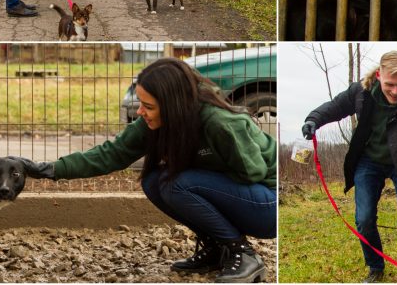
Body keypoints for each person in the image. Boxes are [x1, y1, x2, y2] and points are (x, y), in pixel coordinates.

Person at [16, 58, 276, 283]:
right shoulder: (157, 123)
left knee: (178, 183)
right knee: (154, 181)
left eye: (148, 107)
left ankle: (242, 253)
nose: (141, 112)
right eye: (141, 103)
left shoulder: (220, 123)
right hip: (243, 196)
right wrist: (47, 169)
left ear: (173, 106)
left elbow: (251, 173)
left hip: (269, 204)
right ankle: (217, 249)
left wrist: (198, 168)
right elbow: (111, 154)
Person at [300, 51, 397, 283]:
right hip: (368, 161)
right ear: (378, 76)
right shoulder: (361, 93)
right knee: (364, 218)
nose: (396, 91)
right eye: (390, 85)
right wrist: (313, 119)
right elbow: (335, 107)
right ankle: (375, 267)